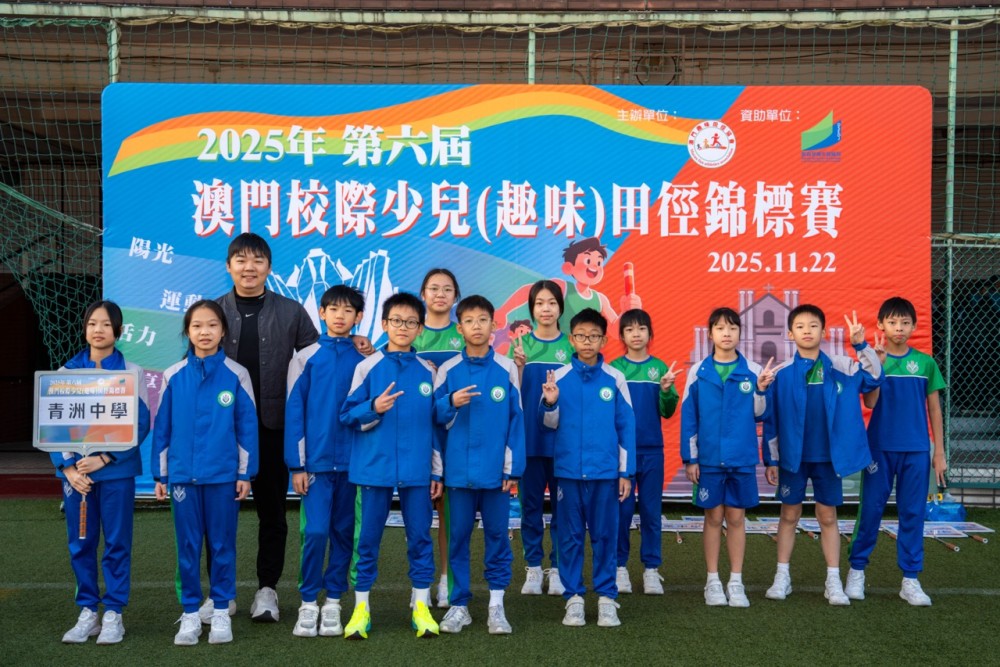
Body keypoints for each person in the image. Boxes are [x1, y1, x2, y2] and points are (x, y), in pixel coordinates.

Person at [215, 232, 319, 623]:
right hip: (223, 433)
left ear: (269, 268)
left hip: (272, 428)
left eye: (257, 260)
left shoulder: (292, 312)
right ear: (229, 266)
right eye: (241, 260)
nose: (249, 268)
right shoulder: (212, 312)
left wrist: (355, 344)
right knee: (217, 515)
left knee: (273, 514)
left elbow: (317, 363)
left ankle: (267, 590)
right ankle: (221, 593)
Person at [152, 300, 259, 645]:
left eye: (212, 325)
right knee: (187, 547)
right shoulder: (173, 375)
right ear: (188, 331)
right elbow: (162, 429)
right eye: (197, 325)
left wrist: (244, 474)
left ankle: (221, 610)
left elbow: (247, 428)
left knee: (222, 545)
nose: (205, 332)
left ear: (223, 331)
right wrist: (161, 475)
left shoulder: (237, 375)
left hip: (223, 477)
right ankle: (190, 613)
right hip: (183, 477)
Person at [339, 292, 443, 639]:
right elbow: (347, 415)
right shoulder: (367, 366)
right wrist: (374, 407)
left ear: (420, 328)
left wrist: (436, 470)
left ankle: (421, 607)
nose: (403, 327)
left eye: (411, 322)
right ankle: (361, 609)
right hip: (374, 468)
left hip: (417, 472)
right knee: (367, 540)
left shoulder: (427, 371)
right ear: (384, 324)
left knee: (420, 538)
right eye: (396, 321)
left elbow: (435, 425)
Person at [763, 306, 882, 606]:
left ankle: (833, 580)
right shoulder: (782, 375)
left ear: (824, 332)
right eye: (800, 326)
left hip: (829, 459)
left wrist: (861, 345)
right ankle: (782, 576)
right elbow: (772, 420)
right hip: (793, 459)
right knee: (789, 515)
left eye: (813, 325)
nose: (807, 330)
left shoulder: (842, 366)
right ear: (790, 334)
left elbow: (874, 378)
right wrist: (771, 460)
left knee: (827, 516)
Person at [54, 300, 150, 645]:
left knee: (117, 541)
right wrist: (68, 468)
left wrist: (106, 457)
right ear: (85, 329)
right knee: (81, 542)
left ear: (118, 331)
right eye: (93, 323)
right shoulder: (65, 372)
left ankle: (113, 613)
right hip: (77, 477)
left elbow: (140, 424)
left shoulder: (132, 372)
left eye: (106, 324)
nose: (98, 330)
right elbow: (53, 425)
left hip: (115, 473)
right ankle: (87, 612)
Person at [433, 295, 525, 635]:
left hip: (495, 476)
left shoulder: (506, 368)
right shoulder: (448, 370)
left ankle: (496, 606)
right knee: (457, 539)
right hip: (457, 475)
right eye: (469, 321)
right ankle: (459, 606)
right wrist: (450, 403)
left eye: (482, 320)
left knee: (498, 538)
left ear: (494, 326)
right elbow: (434, 419)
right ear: (459, 328)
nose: (476, 326)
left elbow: (516, 421)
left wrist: (511, 470)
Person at [846, 296, 946, 606]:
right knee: (871, 510)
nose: (899, 328)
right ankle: (856, 570)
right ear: (881, 325)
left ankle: (910, 579)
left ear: (914, 326)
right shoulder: (874, 360)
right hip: (880, 448)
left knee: (912, 512)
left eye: (905, 323)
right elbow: (870, 403)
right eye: (892, 322)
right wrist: (877, 367)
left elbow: (935, 409)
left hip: (916, 450)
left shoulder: (926, 363)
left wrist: (939, 452)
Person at [540, 308, 636, 627]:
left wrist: (625, 473)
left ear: (603, 340)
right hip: (568, 474)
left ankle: (607, 598)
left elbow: (626, 428)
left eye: (594, 336)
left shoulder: (615, 379)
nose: (587, 341)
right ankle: (574, 599)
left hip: (605, 474)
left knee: (605, 536)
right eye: (581, 335)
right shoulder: (558, 377)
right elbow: (548, 424)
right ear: (572, 339)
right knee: (569, 538)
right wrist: (550, 402)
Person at [284, 286, 367, 637]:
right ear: (321, 312)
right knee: (315, 532)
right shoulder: (305, 358)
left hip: (353, 465)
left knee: (344, 532)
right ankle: (308, 602)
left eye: (348, 311)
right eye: (333, 309)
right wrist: (297, 465)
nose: (340, 316)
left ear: (358, 317)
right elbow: (294, 411)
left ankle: (333, 601)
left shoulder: (365, 358)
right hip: (315, 465)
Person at [680, 307, 774, 607]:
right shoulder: (698, 371)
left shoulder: (754, 371)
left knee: (736, 518)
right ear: (710, 334)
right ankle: (712, 581)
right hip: (709, 460)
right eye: (720, 328)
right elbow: (689, 417)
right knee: (713, 518)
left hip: (741, 458)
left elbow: (761, 414)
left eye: (732, 328)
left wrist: (761, 390)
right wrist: (691, 458)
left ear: (739, 333)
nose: (726, 333)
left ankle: (735, 581)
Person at [508, 280, 574, 596]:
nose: (546, 309)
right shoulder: (520, 348)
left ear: (560, 307)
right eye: (539, 303)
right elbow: (511, 396)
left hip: (564, 445)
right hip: (530, 442)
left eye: (551, 303)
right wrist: (519, 368)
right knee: (530, 508)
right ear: (531, 309)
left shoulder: (573, 347)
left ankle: (558, 569)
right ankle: (533, 568)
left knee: (565, 511)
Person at [609, 309, 680, 596]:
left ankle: (651, 569)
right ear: (621, 336)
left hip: (652, 452)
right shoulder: (614, 369)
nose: (636, 334)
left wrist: (666, 390)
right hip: (622, 454)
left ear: (650, 334)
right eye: (629, 329)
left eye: (641, 329)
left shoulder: (661, 368)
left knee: (651, 511)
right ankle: (619, 568)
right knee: (622, 512)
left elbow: (668, 411)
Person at [414, 267, 463, 608]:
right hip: (418, 434)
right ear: (423, 295)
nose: (440, 294)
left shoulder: (464, 334)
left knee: (450, 516)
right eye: (434, 288)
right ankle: (419, 585)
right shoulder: (409, 332)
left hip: (455, 435)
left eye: (447, 289)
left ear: (456, 297)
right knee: (418, 516)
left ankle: (446, 580)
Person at [495, 238, 642, 339]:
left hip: (584, 356)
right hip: (559, 352)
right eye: (588, 260)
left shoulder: (600, 299)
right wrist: (503, 311)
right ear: (568, 267)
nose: (594, 266)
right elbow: (529, 291)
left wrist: (626, 312)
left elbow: (615, 331)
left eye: (599, 262)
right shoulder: (563, 287)